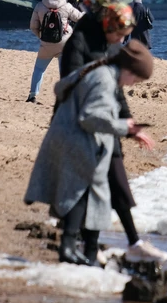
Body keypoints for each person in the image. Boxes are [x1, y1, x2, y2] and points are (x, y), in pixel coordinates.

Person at [24, 41, 155, 265]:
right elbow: (91, 117)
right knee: (83, 193)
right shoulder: (105, 80)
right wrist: (126, 128)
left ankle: (80, 251)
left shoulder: (103, 72)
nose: (133, 84)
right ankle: (76, 250)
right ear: (128, 70)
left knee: (84, 194)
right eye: (136, 79)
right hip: (75, 139)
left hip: (69, 136)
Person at [61, 0, 167, 263]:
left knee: (115, 181)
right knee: (89, 188)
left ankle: (123, 243)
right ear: (108, 25)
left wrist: (130, 125)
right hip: (82, 123)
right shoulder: (79, 42)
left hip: (108, 123)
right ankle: (81, 246)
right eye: (120, 34)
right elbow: (71, 84)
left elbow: (118, 89)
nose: (122, 40)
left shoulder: (109, 43)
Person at [27, 0, 84, 103]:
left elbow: (33, 26)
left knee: (39, 69)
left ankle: (32, 95)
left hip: (46, 43)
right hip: (64, 42)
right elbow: (80, 18)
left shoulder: (40, 5)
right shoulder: (66, 6)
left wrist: (42, 36)